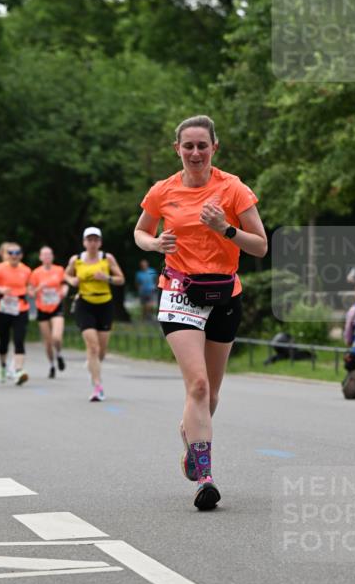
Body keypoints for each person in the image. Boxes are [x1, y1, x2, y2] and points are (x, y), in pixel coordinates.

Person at [134, 114, 267, 511]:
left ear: (214, 148)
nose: (195, 152)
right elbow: (140, 231)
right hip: (179, 291)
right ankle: (205, 478)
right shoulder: (163, 190)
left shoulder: (233, 188)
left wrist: (225, 229)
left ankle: (189, 434)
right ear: (177, 148)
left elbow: (260, 245)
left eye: (202, 145)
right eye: (187, 146)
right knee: (198, 387)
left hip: (225, 293)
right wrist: (155, 244)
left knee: (211, 392)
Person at [65, 227, 125, 401]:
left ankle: (93, 364)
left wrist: (106, 278)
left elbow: (121, 279)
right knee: (93, 347)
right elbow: (66, 275)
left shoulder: (107, 258)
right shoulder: (76, 260)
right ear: (84, 242)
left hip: (105, 304)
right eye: (89, 240)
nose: (92, 243)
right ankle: (97, 386)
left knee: (102, 351)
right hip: (84, 304)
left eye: (95, 240)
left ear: (100, 242)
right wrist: (72, 280)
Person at [0, 241, 32, 385]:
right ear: (6, 255)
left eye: (17, 253)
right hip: (2, 309)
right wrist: (0, 290)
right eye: (10, 253)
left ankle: (18, 371)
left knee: (19, 339)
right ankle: (3, 366)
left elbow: (29, 287)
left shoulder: (26, 270)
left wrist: (32, 291)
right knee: (3, 341)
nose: (14, 256)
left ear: (21, 255)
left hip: (20, 308)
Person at [29, 246, 68, 378]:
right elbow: (31, 292)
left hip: (56, 306)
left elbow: (65, 284)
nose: (47, 257)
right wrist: (39, 287)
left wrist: (64, 291)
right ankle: (52, 364)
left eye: (49, 254)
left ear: (52, 257)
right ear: (40, 257)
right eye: (44, 255)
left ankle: (59, 354)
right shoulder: (35, 273)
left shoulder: (59, 270)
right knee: (47, 341)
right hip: (42, 309)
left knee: (56, 337)